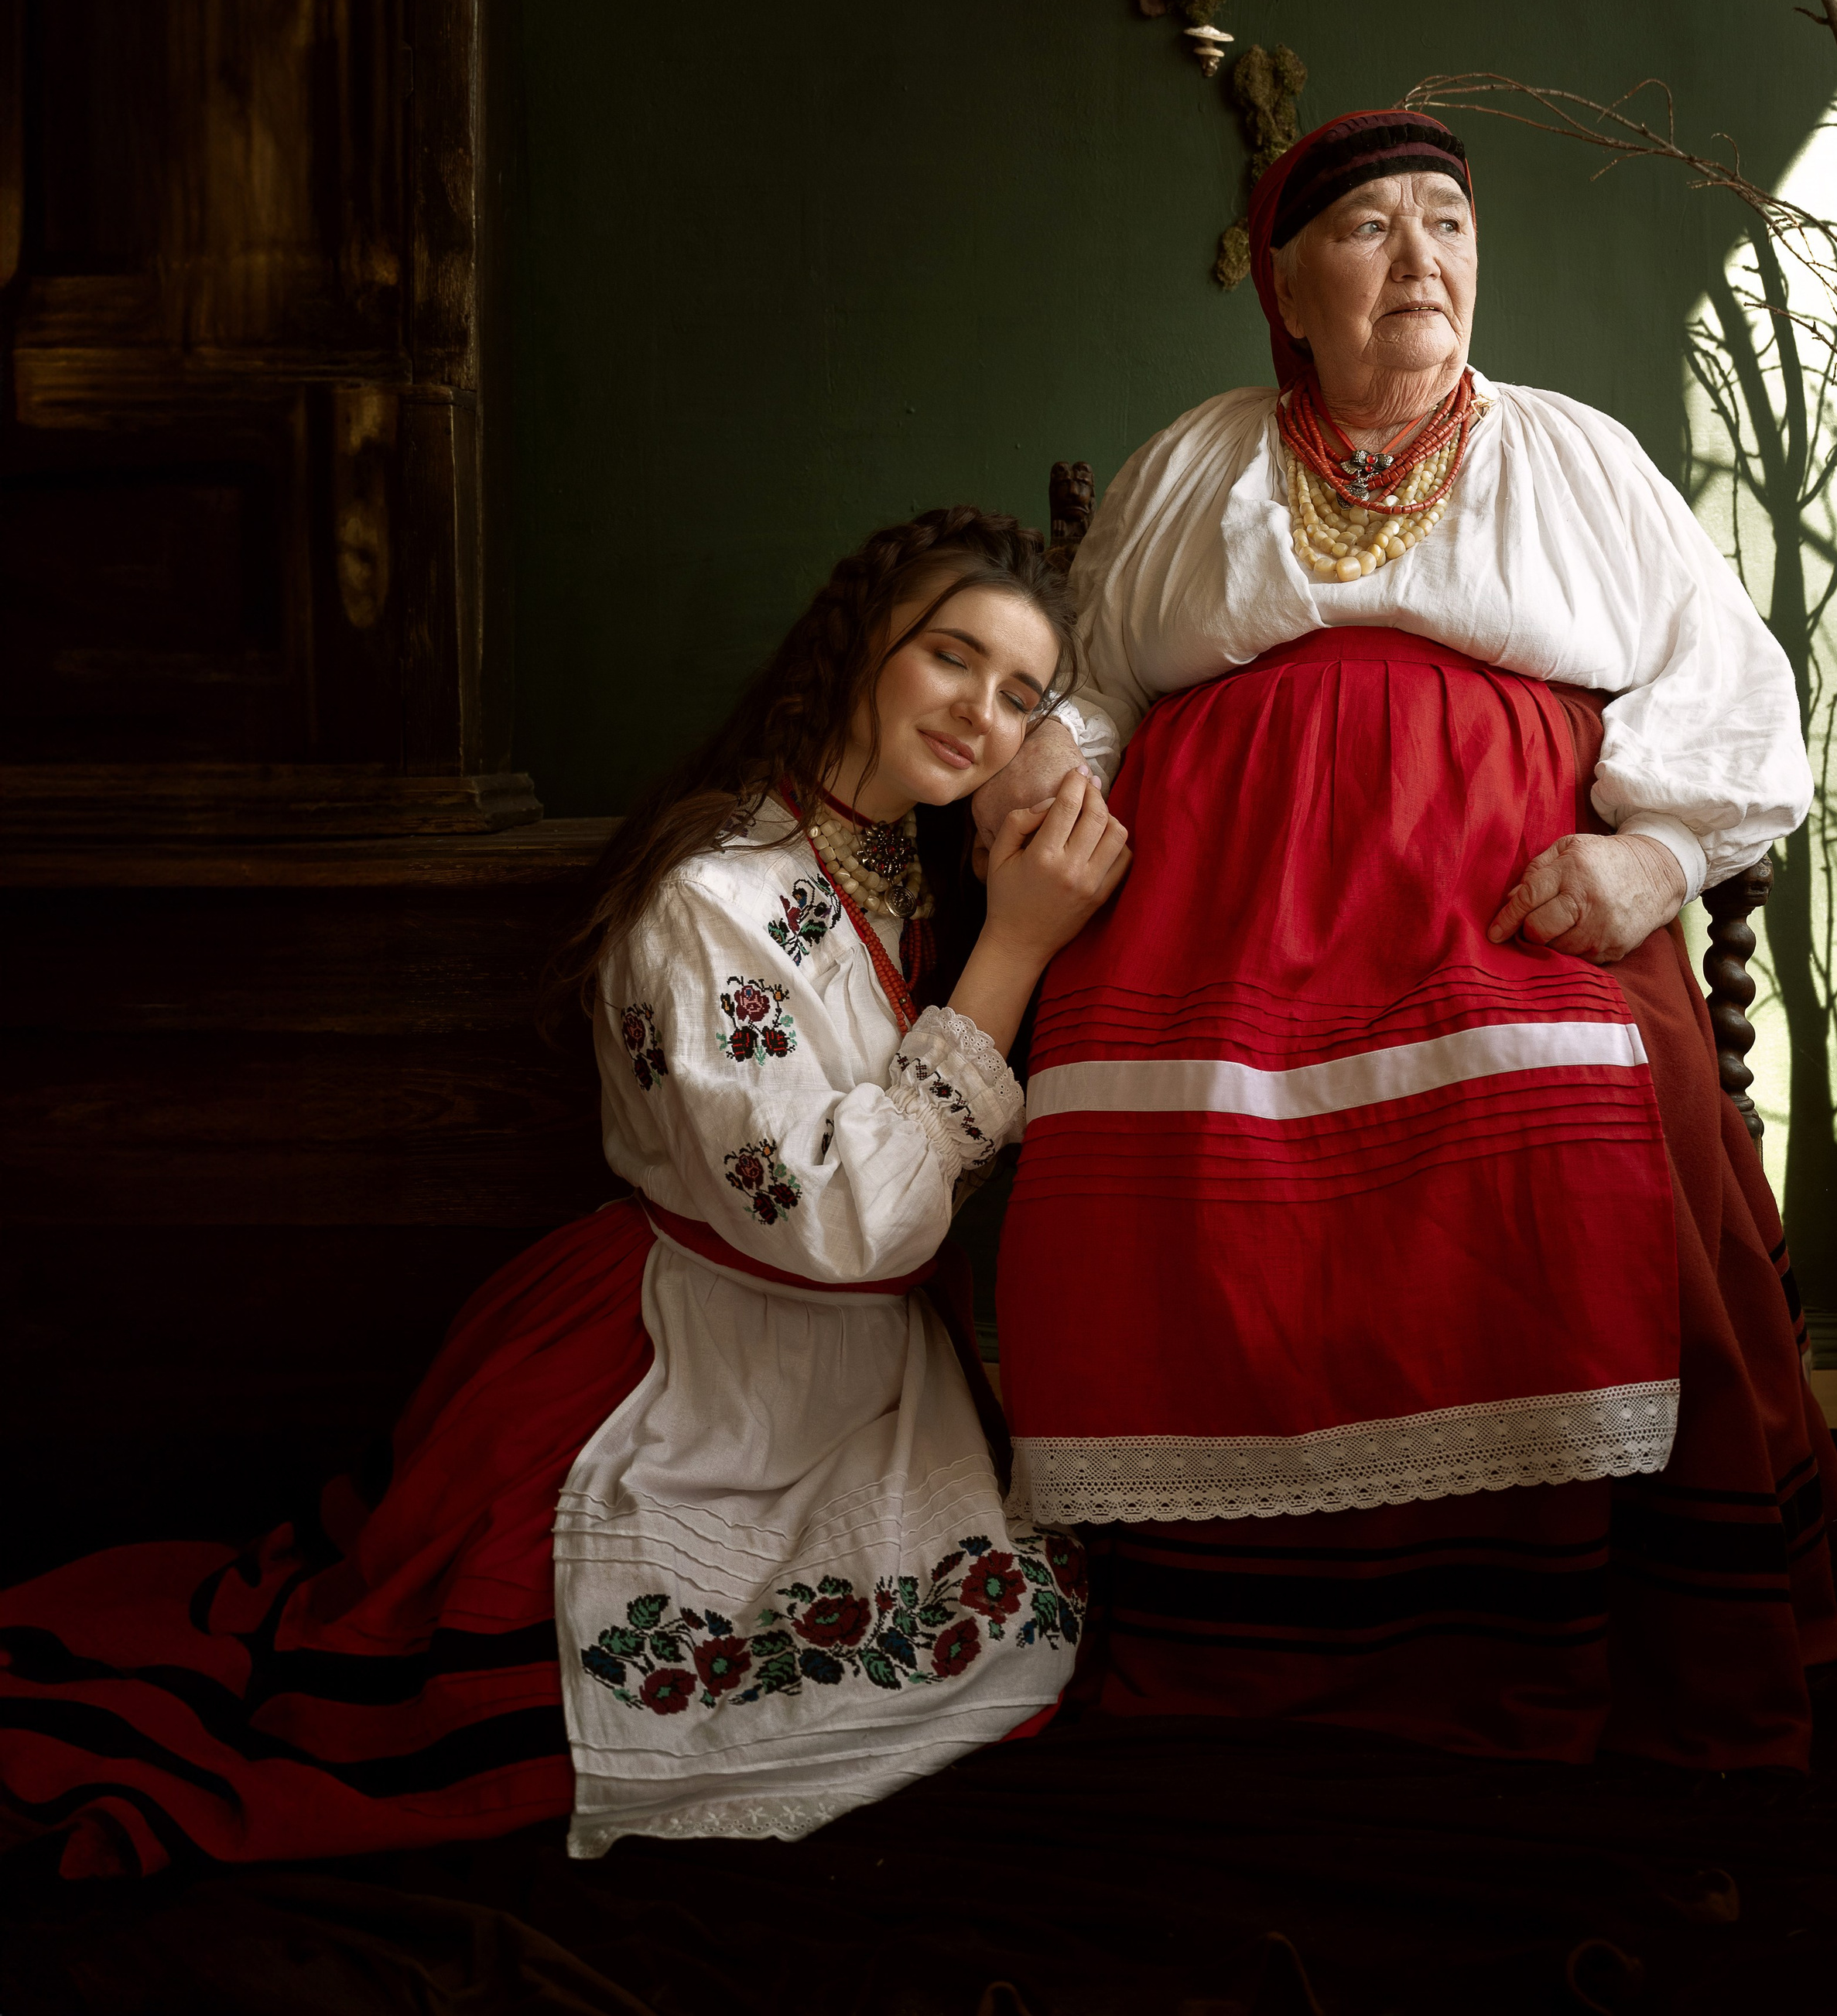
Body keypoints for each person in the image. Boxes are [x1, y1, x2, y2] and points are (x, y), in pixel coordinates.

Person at [0, 507, 1128, 1875]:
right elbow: (845, 1224)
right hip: (696, 1355)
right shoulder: (714, 892)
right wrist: (1012, 950)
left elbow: (1094, 732)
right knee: (594, 1700)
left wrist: (1046, 758)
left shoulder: (902, 865)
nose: (981, 715)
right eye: (951, 658)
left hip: (871, 1380)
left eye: (1020, 695)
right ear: (863, 645)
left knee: (1019, 1637)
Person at [979, 108, 1837, 1770]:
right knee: (1127, 1132)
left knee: (1599, 1120)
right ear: (1285, 291)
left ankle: (1576, 1618)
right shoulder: (1193, 461)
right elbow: (1094, 684)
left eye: (1444, 224)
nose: (1419, 258)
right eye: (1370, 229)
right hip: (1208, 915)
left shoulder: (1574, 454)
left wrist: (1651, 857)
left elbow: (1727, 683)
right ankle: (1213, 1616)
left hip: (1507, 899)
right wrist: (1053, 777)